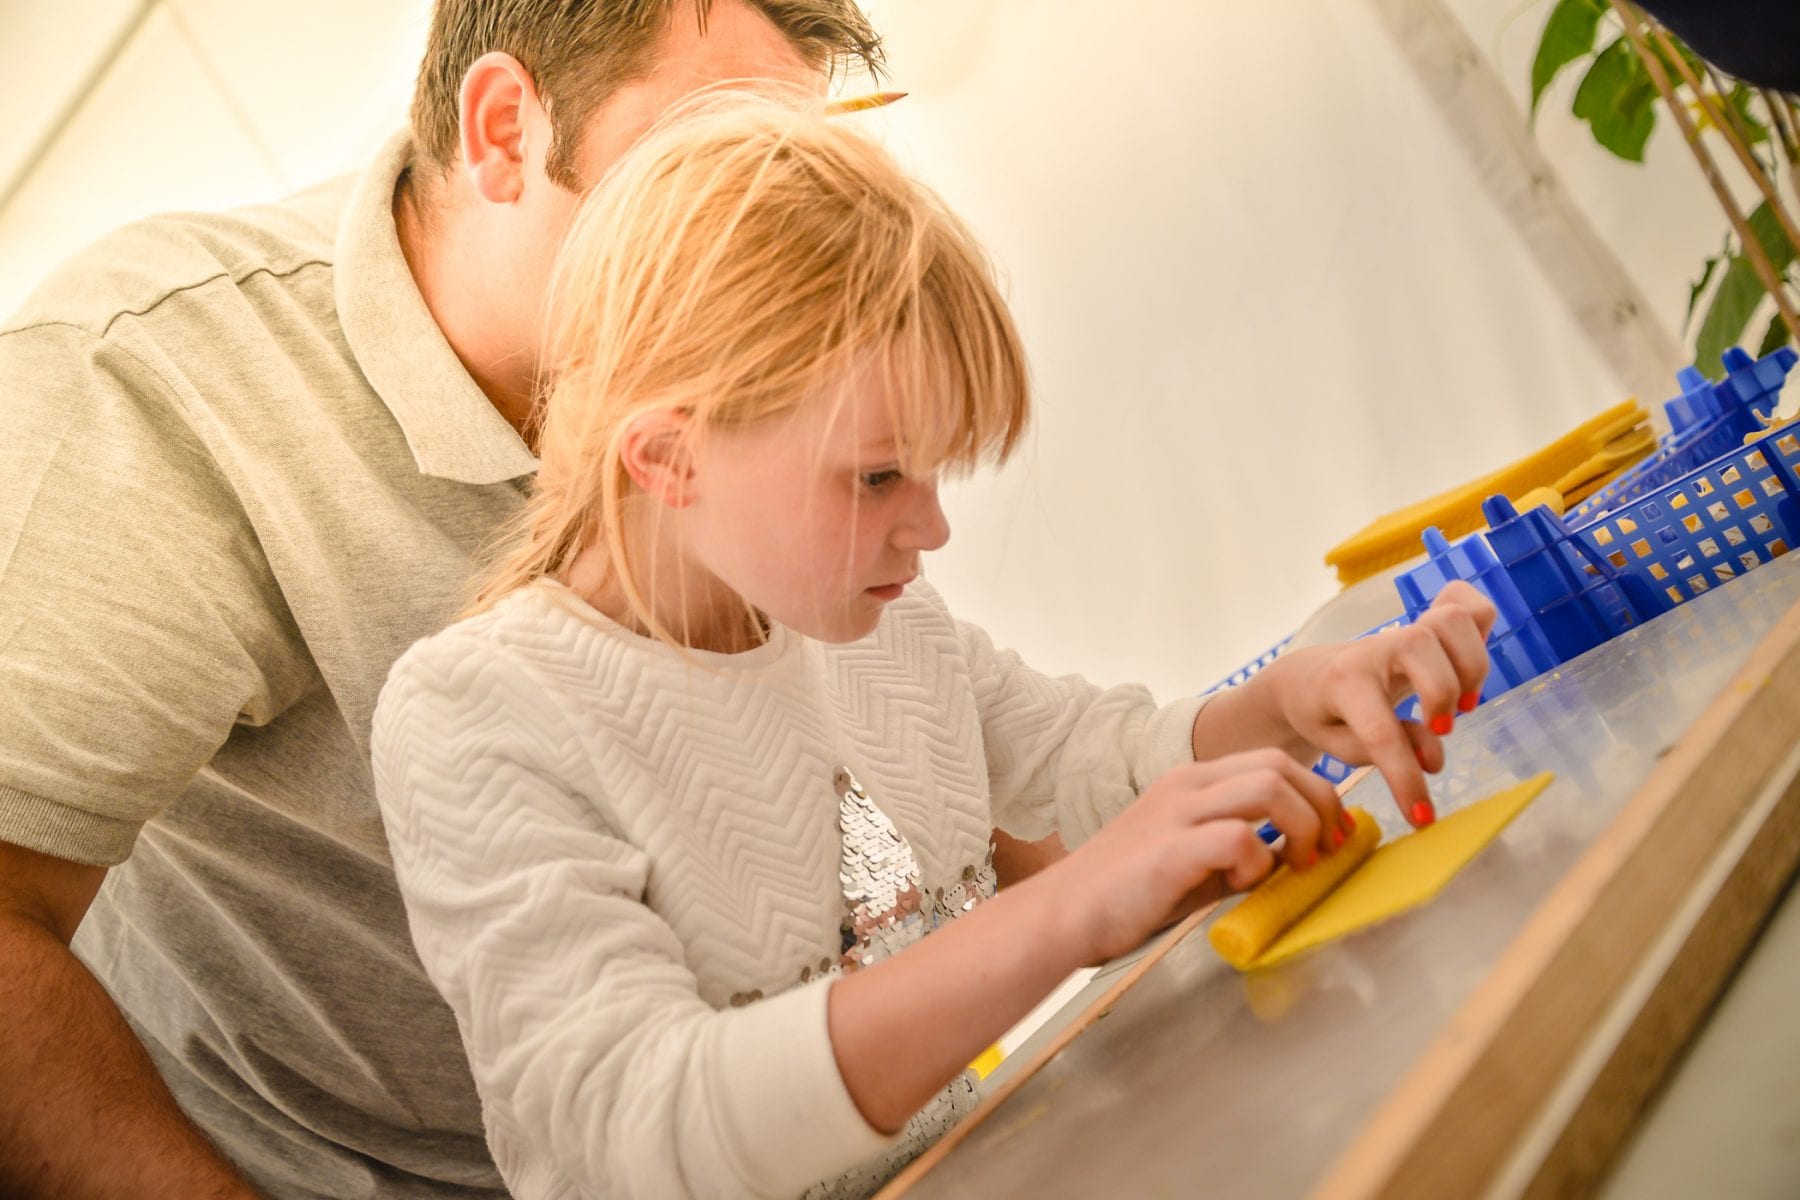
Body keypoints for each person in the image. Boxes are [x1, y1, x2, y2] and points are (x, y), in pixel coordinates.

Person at [370, 93, 1499, 1200]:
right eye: (877, 477)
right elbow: (651, 1127)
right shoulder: (476, 714)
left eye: (931, 471)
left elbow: (1089, 759)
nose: (932, 526)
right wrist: (1059, 915)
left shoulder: (868, 614)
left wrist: (1295, 699)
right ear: (670, 459)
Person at [0, 4, 884, 1197]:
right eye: (700, 174)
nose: (756, 252)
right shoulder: (152, 379)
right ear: (507, 127)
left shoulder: (699, 355)